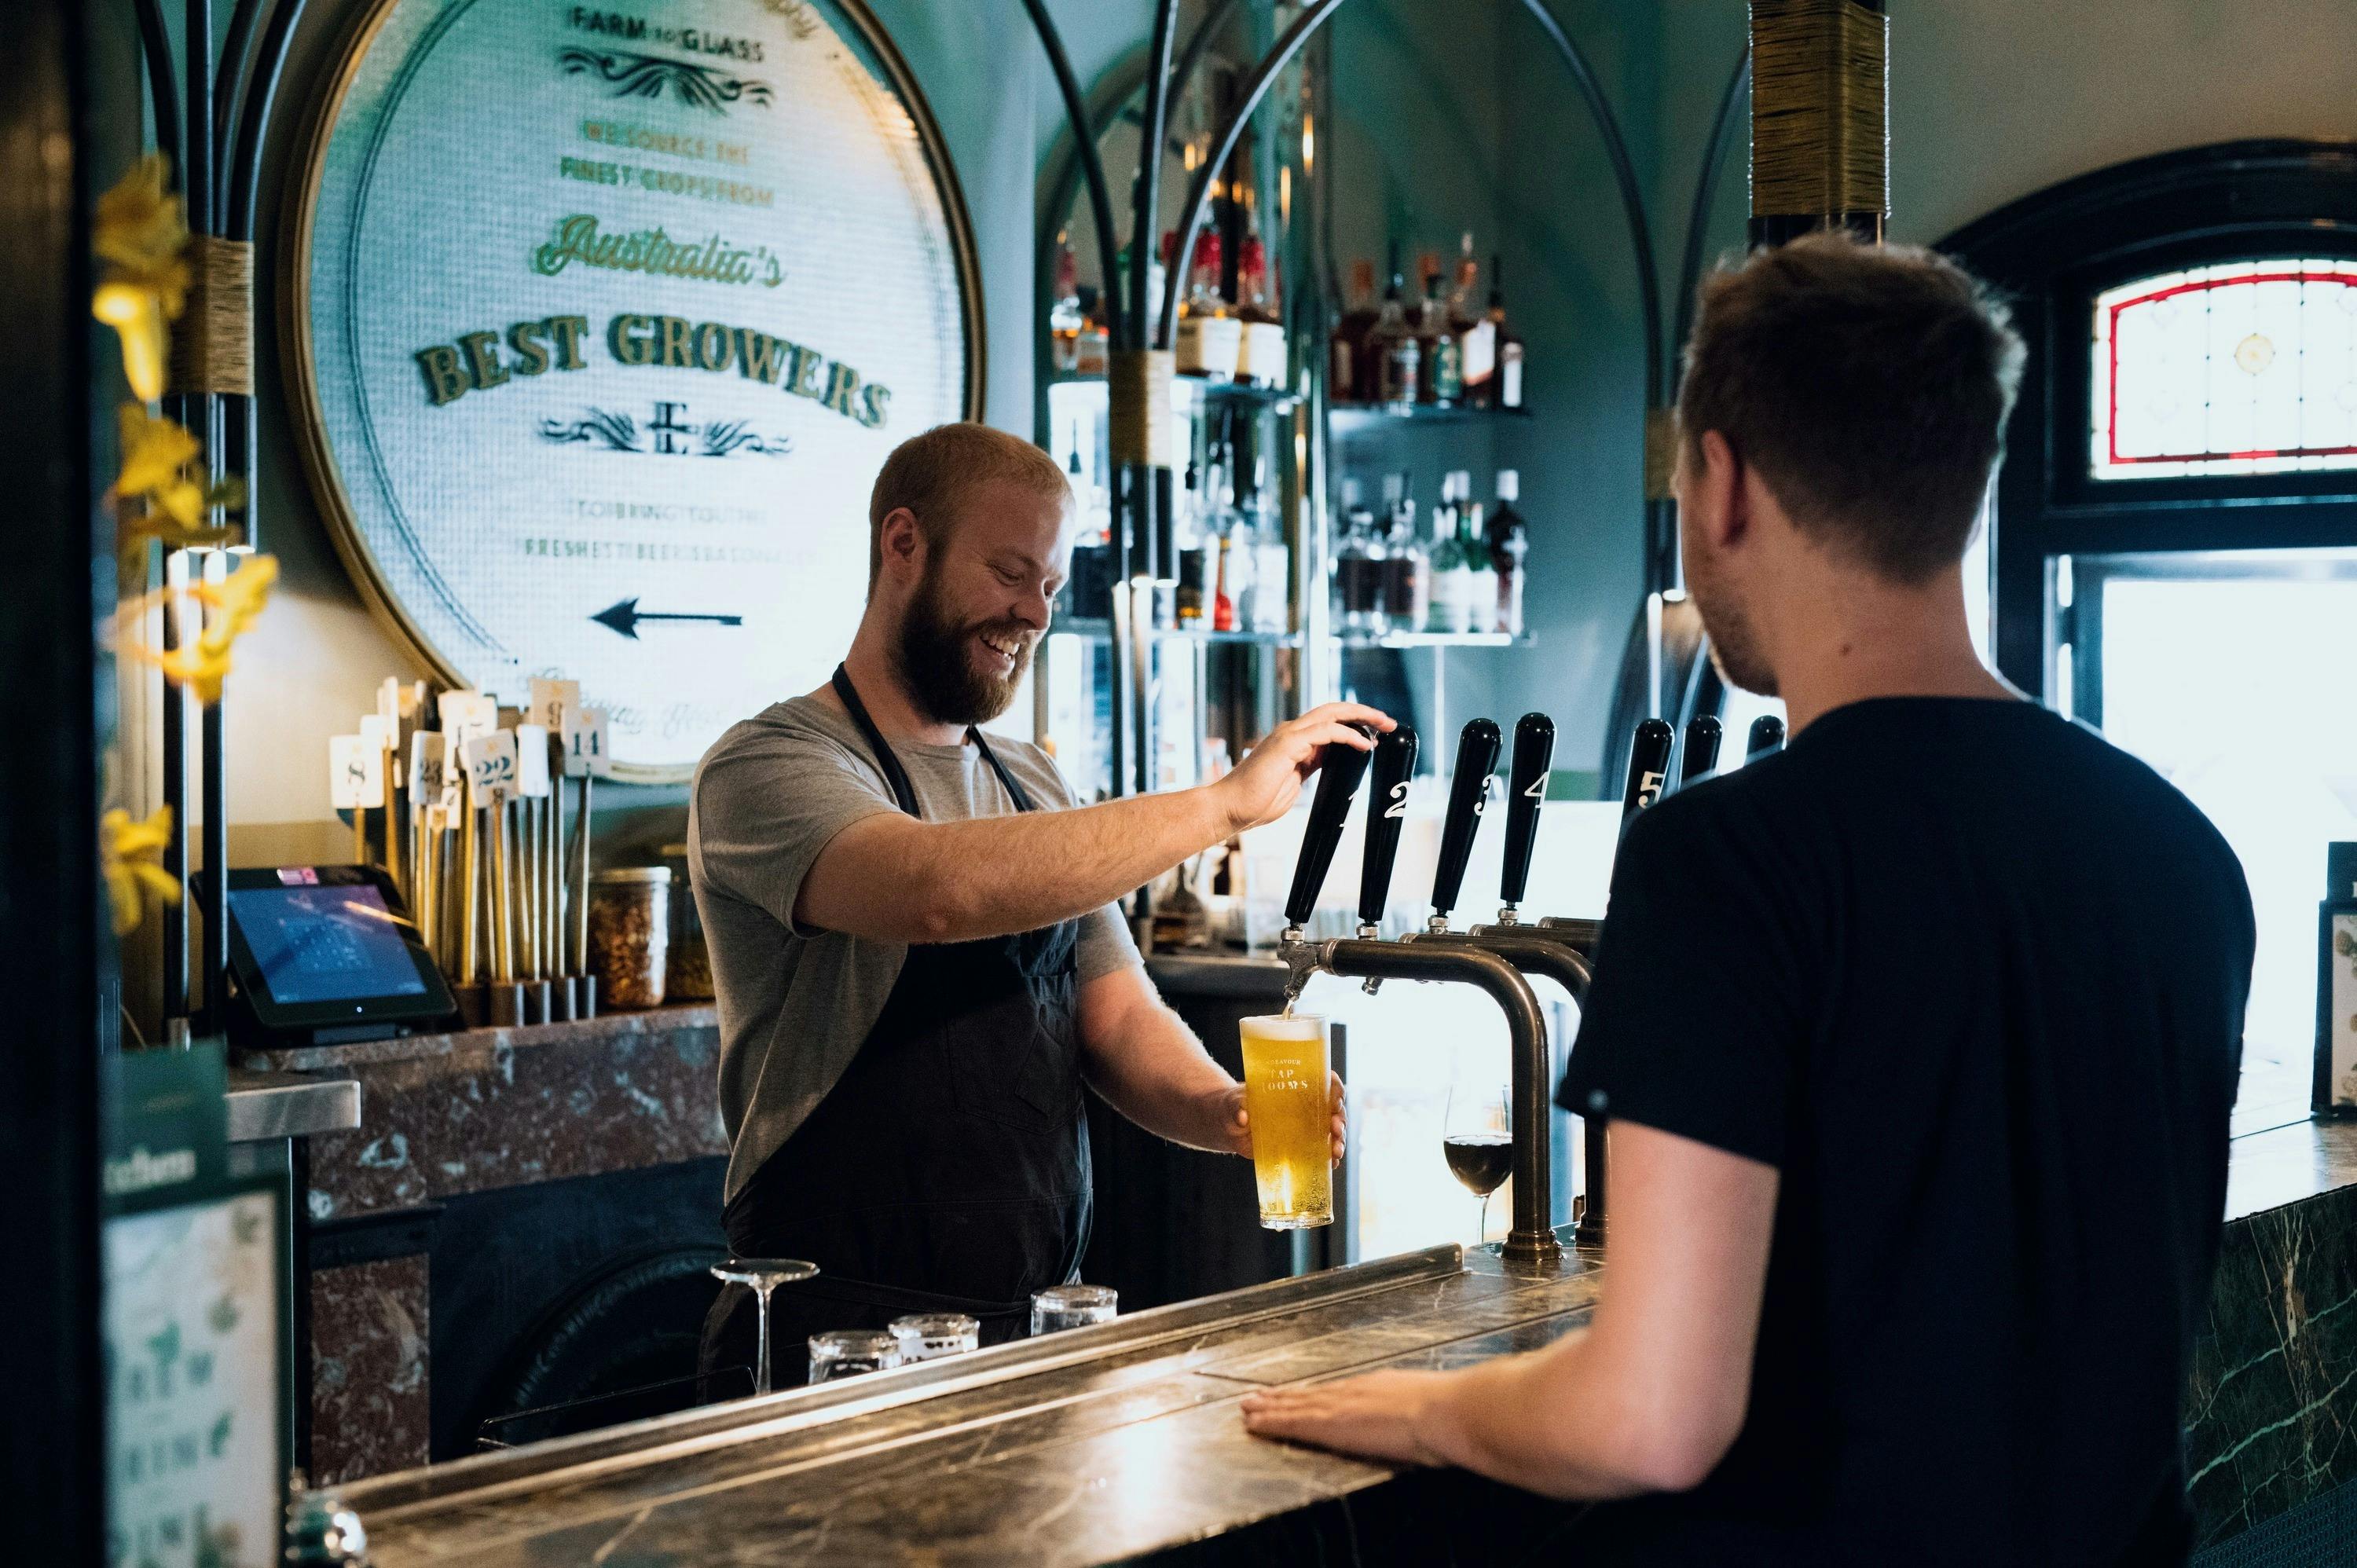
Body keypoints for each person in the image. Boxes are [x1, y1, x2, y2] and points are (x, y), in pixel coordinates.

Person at [1241, 233, 2254, 1564]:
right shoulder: (2182, 854)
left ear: (1720, 485)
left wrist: (1432, 1413)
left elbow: (1649, 1419)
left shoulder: (1729, 860)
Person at [691, 422, 1380, 1385]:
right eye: (1011, 572)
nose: (1034, 613)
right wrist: (1223, 803)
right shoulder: (771, 765)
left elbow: (1119, 1013)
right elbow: (937, 889)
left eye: (1051, 586)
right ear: (903, 545)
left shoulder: (1030, 784)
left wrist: (1221, 1108)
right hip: (833, 1338)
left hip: (1032, 1328)